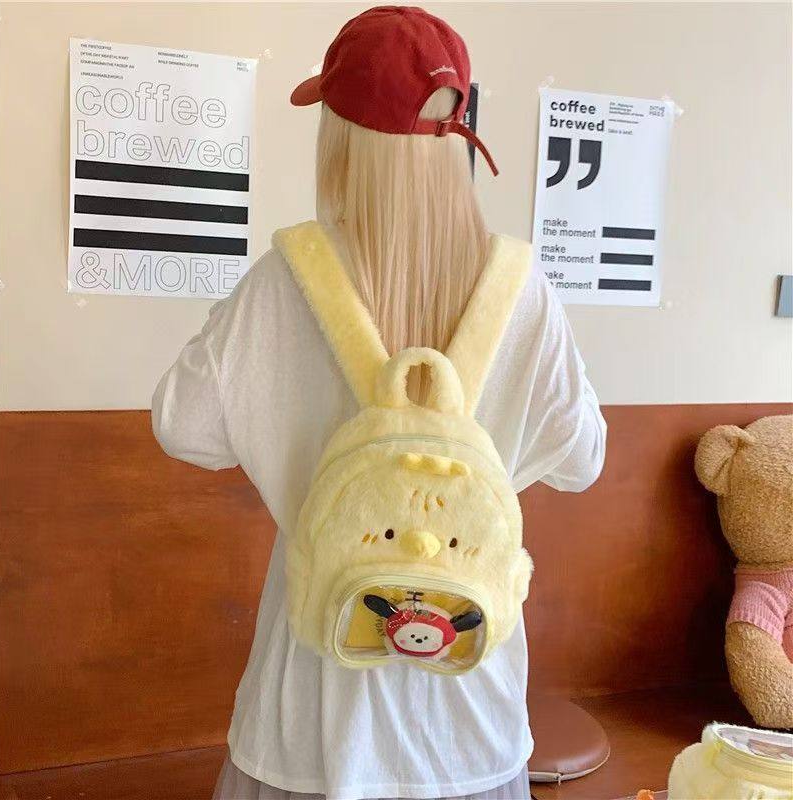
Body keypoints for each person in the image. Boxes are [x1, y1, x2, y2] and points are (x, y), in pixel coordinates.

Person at [152, 7, 606, 800]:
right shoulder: (522, 292)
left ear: (342, 138)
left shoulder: (287, 280)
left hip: (310, 714)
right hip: (468, 708)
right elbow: (583, 460)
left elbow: (181, 425)